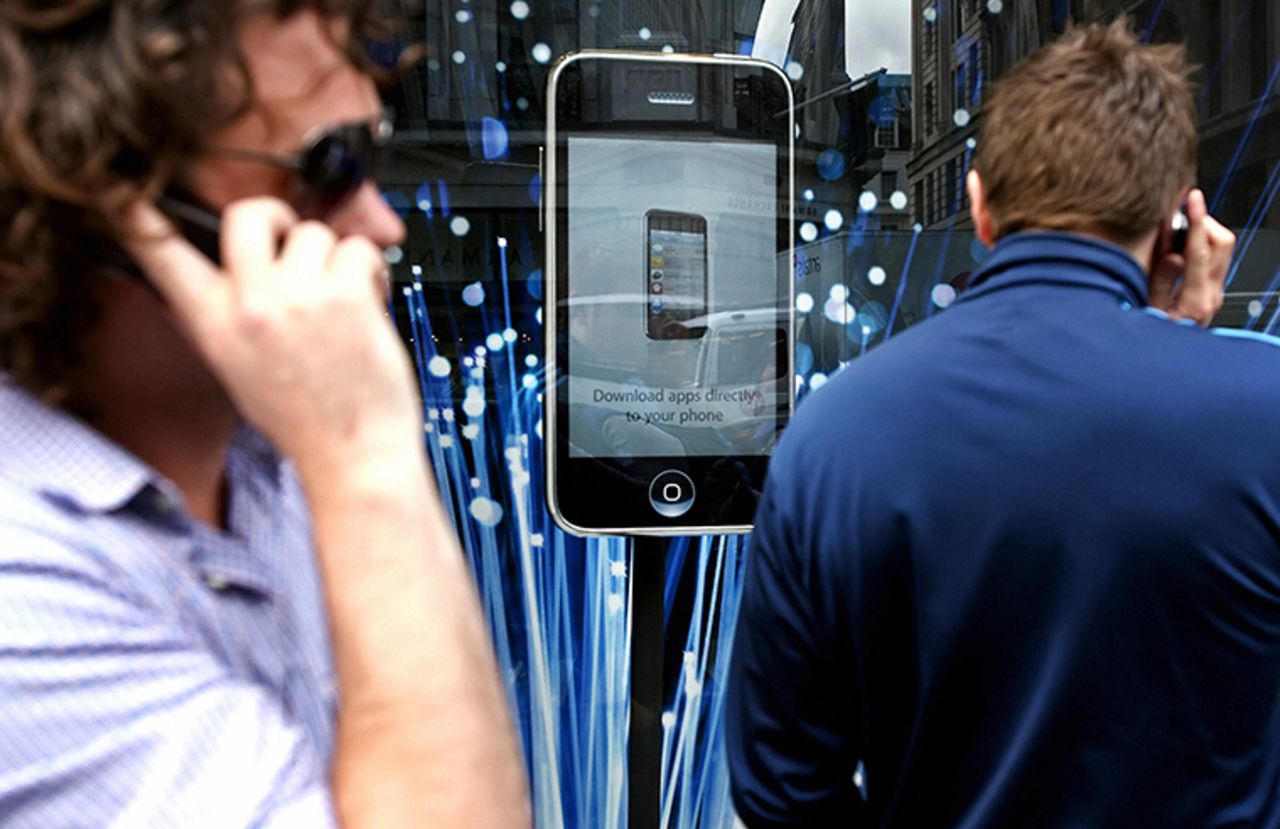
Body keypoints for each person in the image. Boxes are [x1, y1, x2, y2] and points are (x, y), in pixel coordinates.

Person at [0, 3, 529, 827]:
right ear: (115, 198)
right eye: (327, 170)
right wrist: (361, 455)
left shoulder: (268, 461)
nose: (381, 226)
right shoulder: (23, 587)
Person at [725, 19, 1263, 827]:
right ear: (1179, 225)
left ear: (979, 207)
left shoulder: (836, 435)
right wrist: (1189, 346)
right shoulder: (1263, 410)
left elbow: (781, 786)